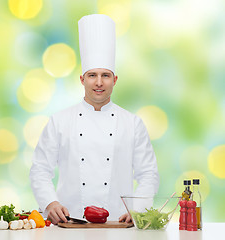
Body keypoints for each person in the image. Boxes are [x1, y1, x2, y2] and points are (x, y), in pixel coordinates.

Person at [30, 14, 159, 225]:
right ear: (82, 79)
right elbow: (40, 169)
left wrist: (138, 209)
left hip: (119, 225)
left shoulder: (132, 123)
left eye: (105, 75)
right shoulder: (59, 121)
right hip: (69, 223)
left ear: (115, 80)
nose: (99, 83)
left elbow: (148, 174)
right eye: (92, 75)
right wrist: (50, 203)